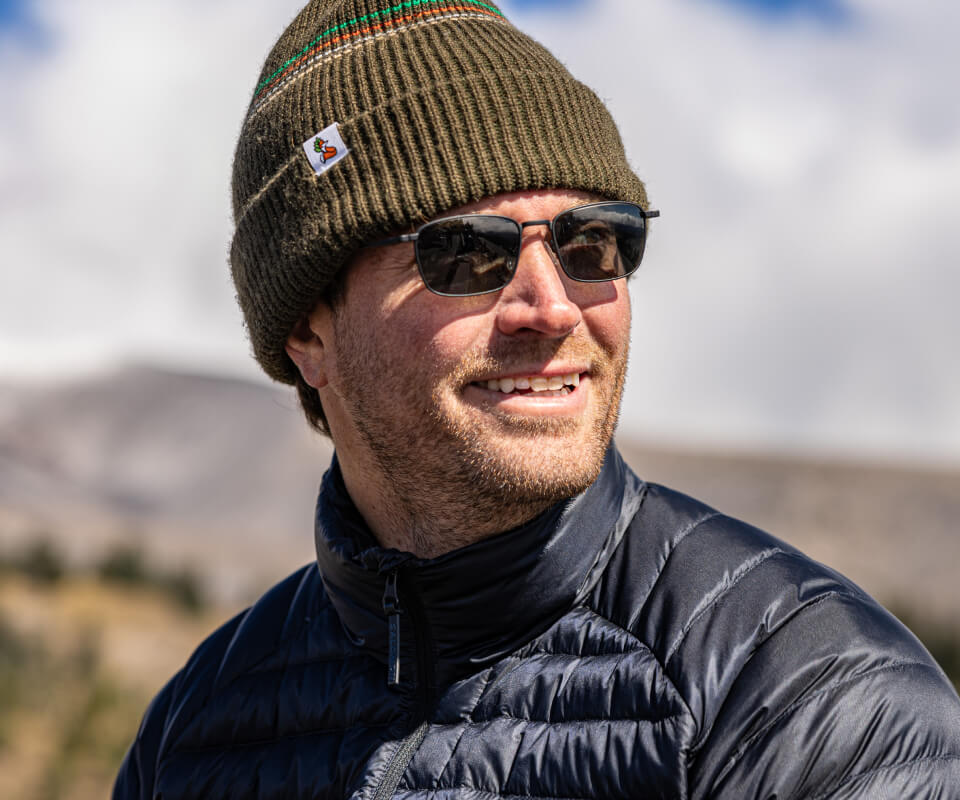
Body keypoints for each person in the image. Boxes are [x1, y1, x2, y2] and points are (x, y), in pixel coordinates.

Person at [114, 1, 960, 797]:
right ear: (308, 332)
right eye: (466, 257)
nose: (551, 307)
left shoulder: (810, 701)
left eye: (594, 242)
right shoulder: (197, 727)